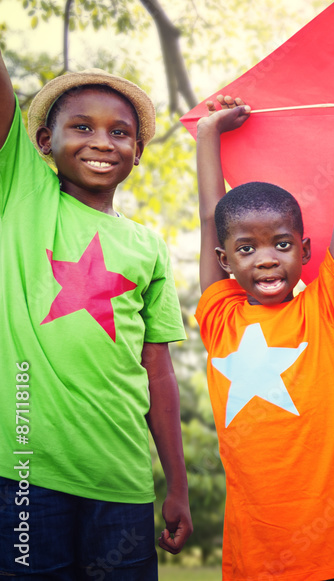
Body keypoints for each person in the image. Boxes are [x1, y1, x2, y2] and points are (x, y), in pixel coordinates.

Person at [195, 91, 334, 581]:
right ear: (224, 262)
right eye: (246, 249)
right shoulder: (220, 316)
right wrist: (208, 136)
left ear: (305, 250)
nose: (267, 258)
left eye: (282, 244)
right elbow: (210, 218)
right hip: (260, 533)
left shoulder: (326, 307)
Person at [0, 50, 191, 578]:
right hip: (25, 476)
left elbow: (159, 372)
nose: (103, 142)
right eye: (81, 127)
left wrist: (177, 484)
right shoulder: (22, 195)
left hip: (123, 480)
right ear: (43, 142)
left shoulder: (148, 247)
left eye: (121, 133)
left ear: (138, 151)